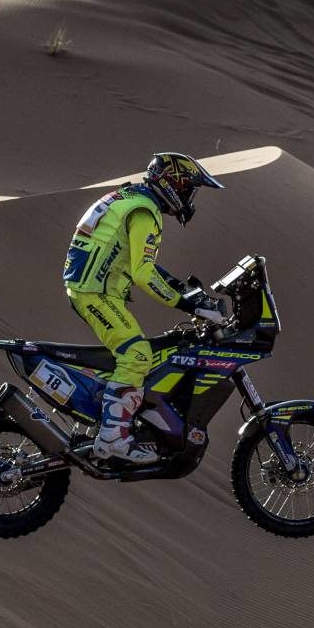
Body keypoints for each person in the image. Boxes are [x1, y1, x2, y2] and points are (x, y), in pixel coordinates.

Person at [63, 152, 225, 464]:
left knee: (138, 355)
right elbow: (142, 273)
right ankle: (112, 439)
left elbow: (139, 262)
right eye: (189, 189)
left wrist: (179, 286)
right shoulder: (145, 211)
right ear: (173, 185)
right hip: (94, 293)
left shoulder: (131, 198)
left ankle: (112, 419)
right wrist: (184, 301)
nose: (190, 198)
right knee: (137, 355)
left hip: (94, 288)